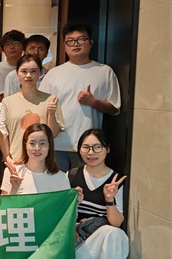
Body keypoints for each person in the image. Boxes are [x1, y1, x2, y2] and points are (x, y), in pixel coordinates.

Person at [0, 123, 80, 259]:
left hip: (47, 237)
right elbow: (2, 212)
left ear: (50, 146)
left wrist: (76, 203)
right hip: (20, 234)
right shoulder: (13, 171)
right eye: (32, 143)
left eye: (42, 143)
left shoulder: (60, 177)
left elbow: (66, 215)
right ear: (25, 145)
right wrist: (14, 188)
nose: (37, 148)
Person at [39, 21, 120, 171]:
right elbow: (41, 108)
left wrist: (94, 102)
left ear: (91, 43)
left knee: (84, 184)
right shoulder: (54, 74)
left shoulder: (104, 71)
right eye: (70, 41)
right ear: (64, 46)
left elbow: (115, 108)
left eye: (81, 39)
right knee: (57, 184)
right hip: (57, 144)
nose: (75, 44)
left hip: (89, 146)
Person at [69, 129, 129, 259]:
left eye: (97, 147)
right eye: (86, 147)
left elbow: (116, 223)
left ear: (107, 149)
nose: (91, 153)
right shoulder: (72, 175)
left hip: (101, 242)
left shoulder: (116, 180)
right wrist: (73, 204)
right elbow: (61, 215)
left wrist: (109, 199)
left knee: (114, 234)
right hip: (77, 239)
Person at [2, 54, 64, 161]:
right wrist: (7, 158)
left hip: (42, 161)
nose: (28, 75)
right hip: (16, 159)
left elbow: (53, 134)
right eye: (24, 71)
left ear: (40, 72)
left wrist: (52, 114)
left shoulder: (51, 100)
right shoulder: (7, 102)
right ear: (17, 73)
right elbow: (4, 135)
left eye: (33, 71)